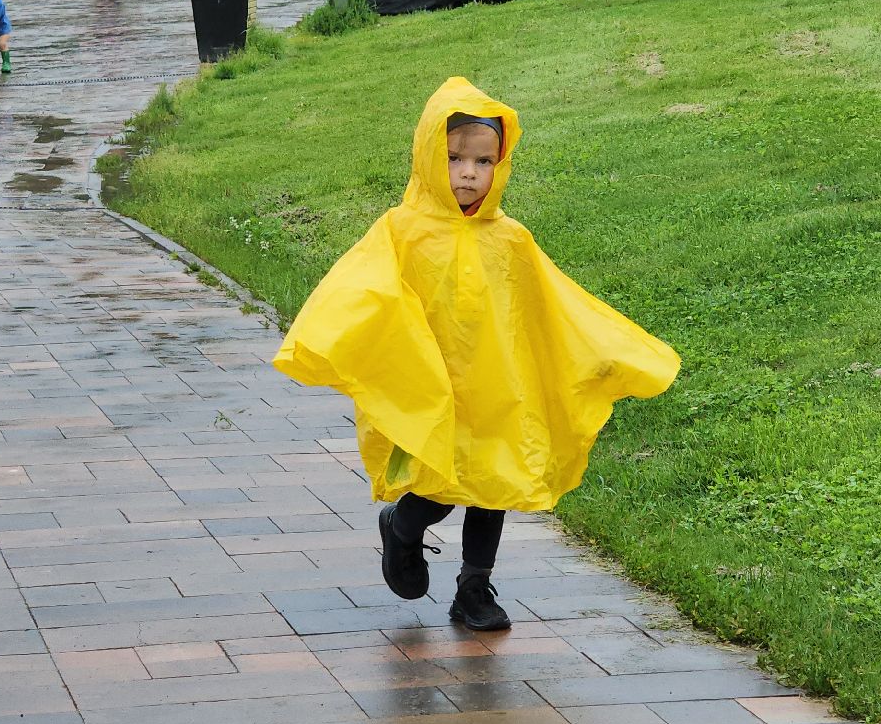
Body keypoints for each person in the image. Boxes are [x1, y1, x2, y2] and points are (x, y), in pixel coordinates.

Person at [272, 77, 681, 631]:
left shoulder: (509, 239)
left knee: (495, 482)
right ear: (426, 157)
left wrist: (602, 353)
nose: (468, 172)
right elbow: (360, 290)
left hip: (496, 388)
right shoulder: (402, 231)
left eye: (483, 161)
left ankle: (474, 586)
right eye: (454, 158)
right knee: (438, 486)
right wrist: (334, 338)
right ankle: (403, 528)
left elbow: (552, 305)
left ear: (500, 165)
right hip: (431, 389)